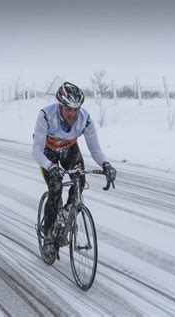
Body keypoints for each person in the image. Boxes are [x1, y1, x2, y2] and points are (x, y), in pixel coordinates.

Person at [32, 82, 116, 257]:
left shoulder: (85, 119)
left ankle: (66, 215)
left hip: (70, 149)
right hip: (48, 153)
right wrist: (50, 166)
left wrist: (106, 164)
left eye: (76, 109)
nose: (73, 114)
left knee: (80, 179)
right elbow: (37, 151)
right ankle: (48, 234)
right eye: (69, 109)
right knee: (55, 188)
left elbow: (95, 149)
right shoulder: (46, 116)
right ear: (60, 106)